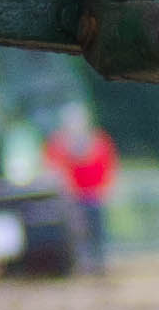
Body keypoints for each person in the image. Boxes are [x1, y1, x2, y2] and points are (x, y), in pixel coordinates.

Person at [42, 109, 119, 272]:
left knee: (97, 231)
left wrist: (106, 188)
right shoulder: (60, 143)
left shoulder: (97, 141)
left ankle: (99, 261)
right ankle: (83, 262)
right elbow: (55, 168)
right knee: (78, 232)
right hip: (73, 197)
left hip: (95, 195)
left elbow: (108, 166)